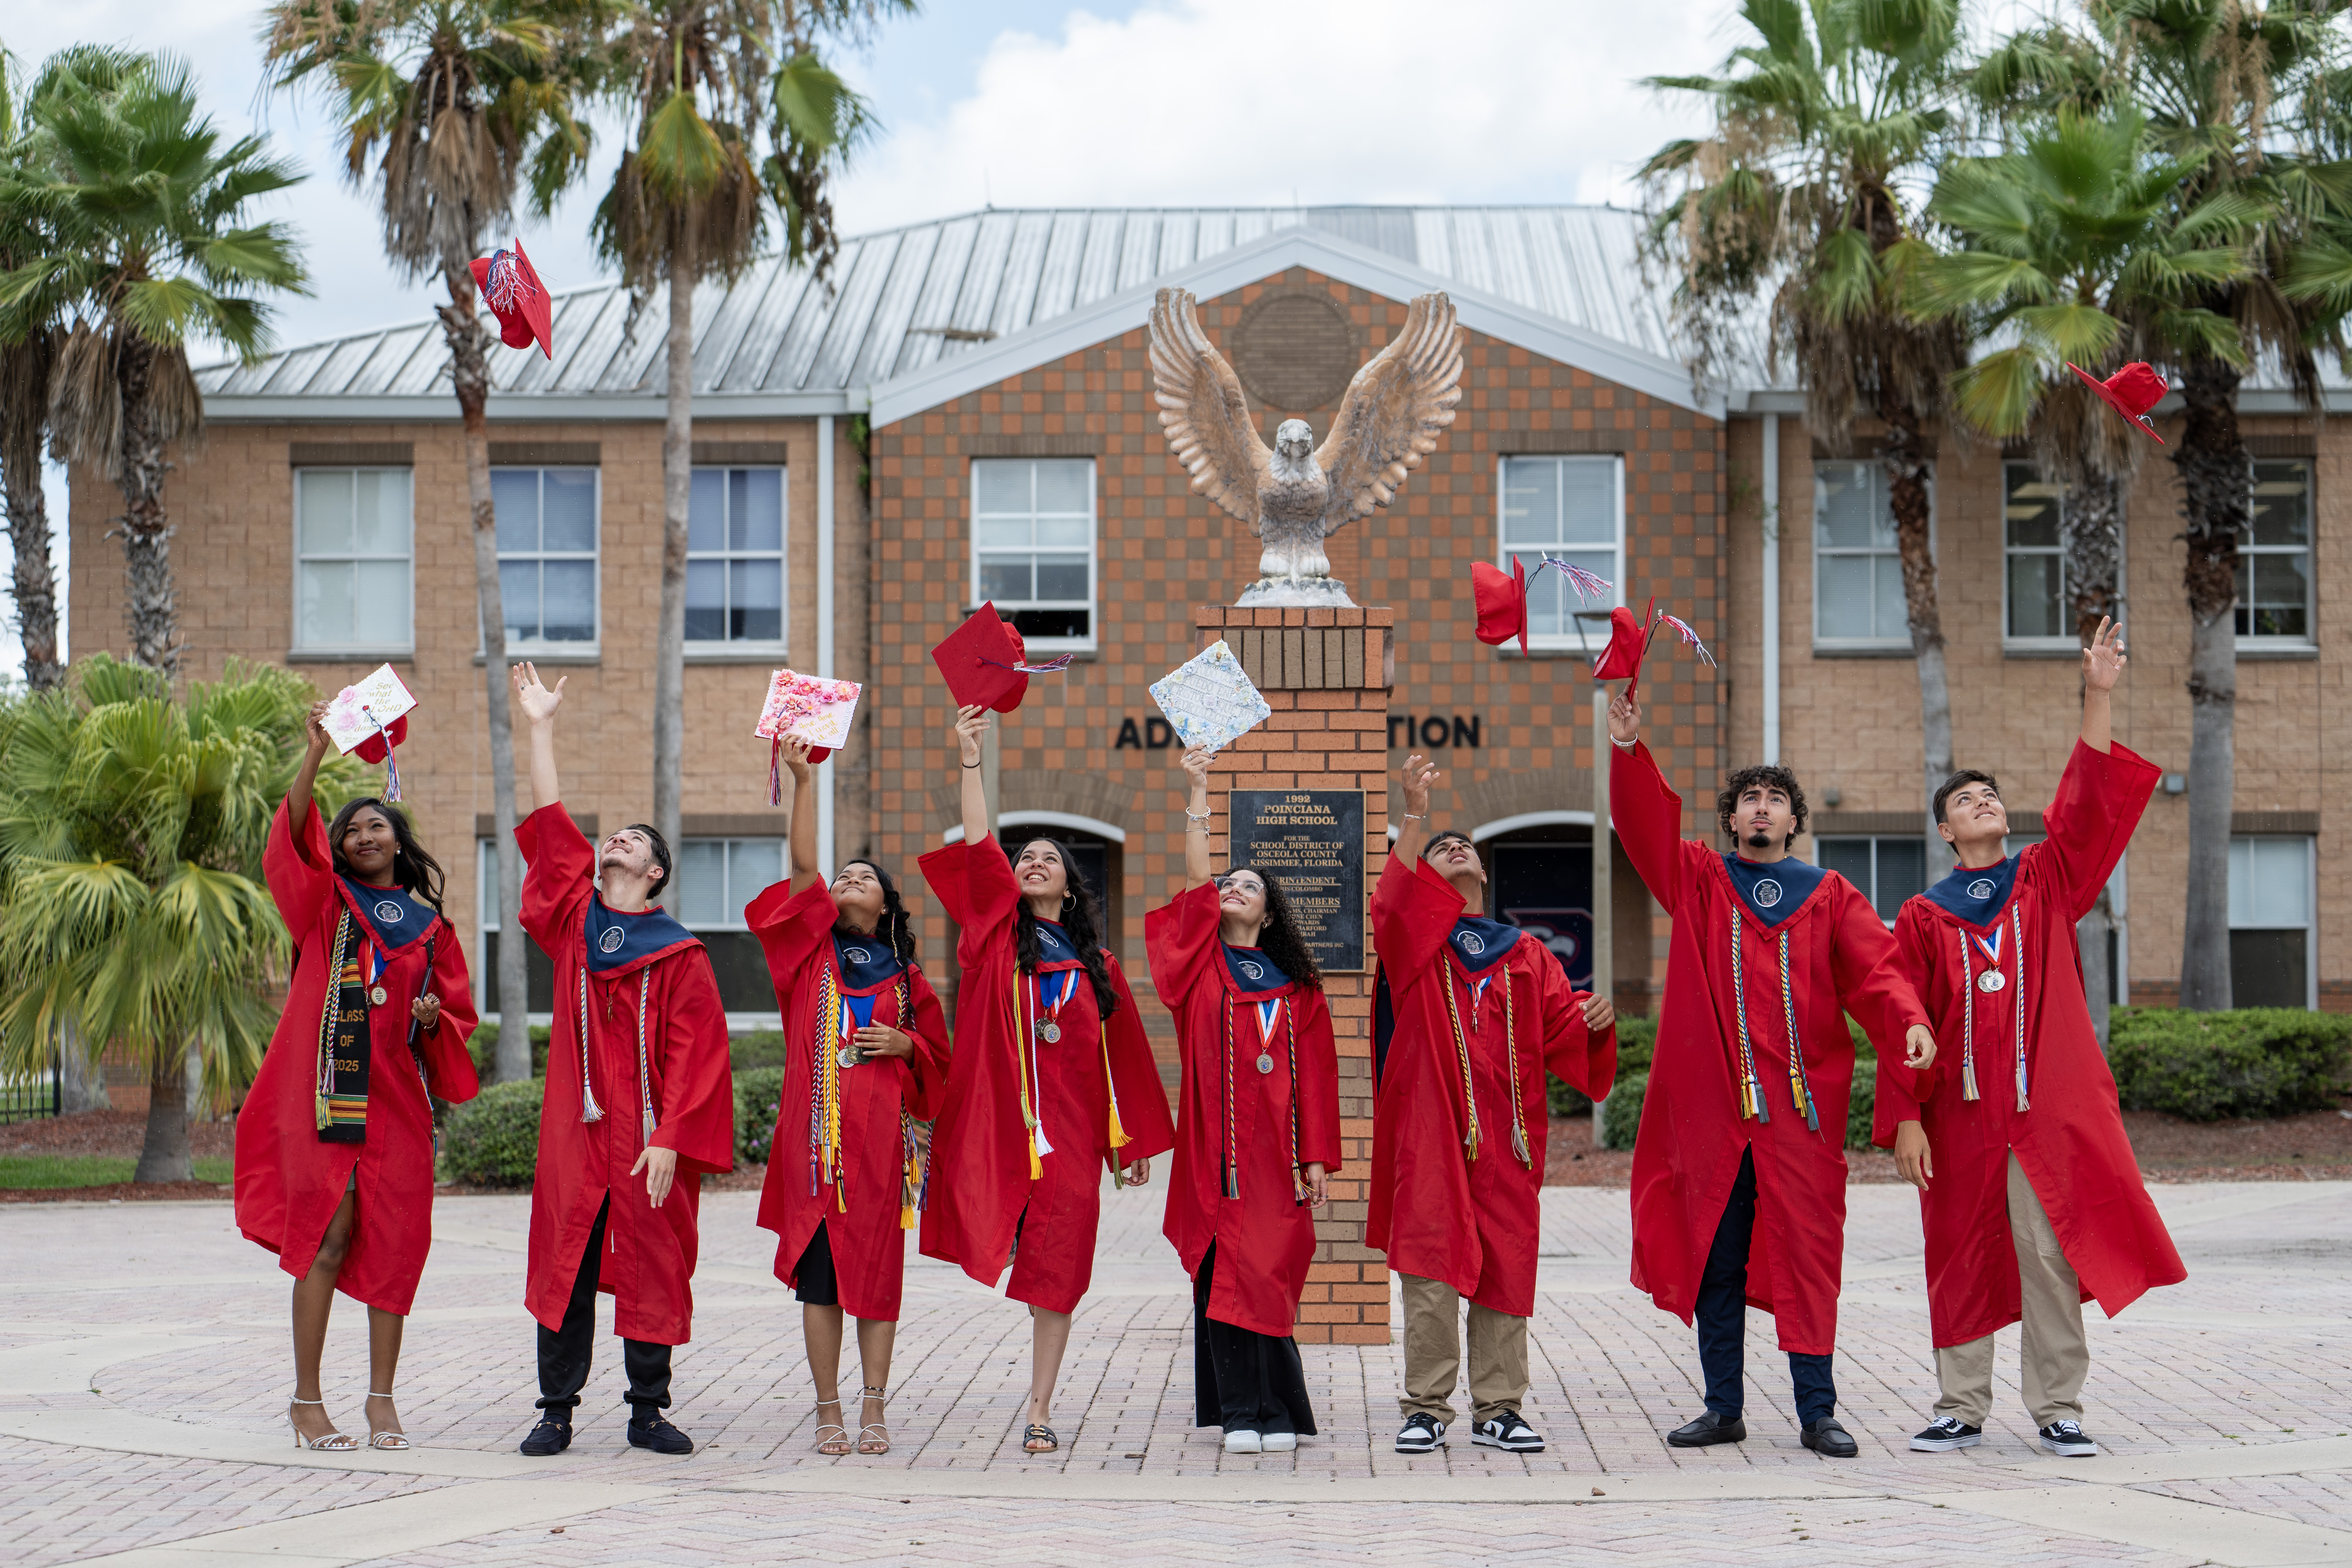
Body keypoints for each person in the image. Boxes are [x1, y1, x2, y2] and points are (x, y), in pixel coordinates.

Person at [1609, 693, 1936, 1458]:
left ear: (1794, 822)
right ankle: (1722, 1407)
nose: (1762, 809)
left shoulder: (1830, 896)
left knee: (1809, 1258)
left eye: (1776, 800)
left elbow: (1879, 974)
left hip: (1801, 1116)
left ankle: (1818, 1411)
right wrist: (1628, 751)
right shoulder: (1697, 881)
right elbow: (1645, 829)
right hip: (1714, 1112)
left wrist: (1911, 1022)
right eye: (1749, 799)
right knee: (1716, 1263)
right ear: (1731, 819)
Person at [1887, 619, 2182, 1459]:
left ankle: (2057, 1404)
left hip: (2037, 1105)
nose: (1982, 803)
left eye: (1989, 796)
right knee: (1957, 1253)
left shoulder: (2044, 881)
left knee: (2047, 1253)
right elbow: (1898, 1014)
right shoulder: (1923, 914)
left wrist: (2097, 693)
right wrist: (1905, 1115)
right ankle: (1959, 1404)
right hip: (1957, 1111)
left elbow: (2086, 804)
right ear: (1946, 831)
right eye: (1963, 801)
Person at [918, 703, 1176, 1455]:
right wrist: (971, 759)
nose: (1031, 862)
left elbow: (1126, 1062)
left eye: (1047, 858)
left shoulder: (1098, 970)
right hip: (1003, 1124)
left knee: (1058, 1272)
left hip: (1066, 1136)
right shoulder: (995, 936)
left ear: (1070, 883)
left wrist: (1128, 1146)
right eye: (1022, 856)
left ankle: (1039, 1404)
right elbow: (975, 846)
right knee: (990, 1228)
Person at [237, 701, 479, 1451]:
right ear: (339, 847)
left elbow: (457, 1020)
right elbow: (293, 840)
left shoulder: (430, 928)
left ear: (399, 843)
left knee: (396, 1240)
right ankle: (307, 1400)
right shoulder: (324, 902)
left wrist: (439, 1018)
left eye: (378, 826)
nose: (364, 834)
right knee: (327, 1237)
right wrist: (313, 756)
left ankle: (382, 1400)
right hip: (324, 1093)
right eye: (352, 828)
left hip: (397, 1101)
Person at [508, 662, 735, 1458]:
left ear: (656, 872)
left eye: (635, 840)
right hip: (578, 1129)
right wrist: (540, 728)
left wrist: (672, 1135)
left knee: (651, 1259)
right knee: (565, 1263)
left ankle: (647, 1409)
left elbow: (697, 1056)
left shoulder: (680, 955)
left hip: (643, 1135)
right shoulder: (575, 921)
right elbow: (550, 825)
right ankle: (556, 1410)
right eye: (616, 836)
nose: (618, 840)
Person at [1371, 753, 1617, 1456]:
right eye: (1441, 847)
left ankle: (1499, 1407)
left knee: (1506, 1263)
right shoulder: (1414, 943)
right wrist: (1413, 813)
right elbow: (1390, 904)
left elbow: (1561, 1039)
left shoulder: (1526, 955)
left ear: (1483, 873)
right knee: (1429, 1267)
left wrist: (1591, 1019)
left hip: (1506, 1138)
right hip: (1432, 1132)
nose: (1456, 848)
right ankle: (1425, 1406)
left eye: (1465, 846)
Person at [748, 736, 950, 1458]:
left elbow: (941, 1072)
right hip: (815, 1149)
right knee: (821, 1283)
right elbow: (803, 869)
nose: (847, 878)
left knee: (877, 1277)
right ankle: (827, 1408)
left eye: (863, 876)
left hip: (879, 1153)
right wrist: (804, 781)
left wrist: (906, 1046)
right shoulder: (810, 957)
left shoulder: (907, 983)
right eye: (844, 875)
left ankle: (874, 1406)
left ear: (887, 903)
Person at [1146, 744, 1342, 1455]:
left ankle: (1277, 1408)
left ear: (1270, 910)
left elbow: (1317, 1076)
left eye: (1249, 885)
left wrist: (1317, 1157)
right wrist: (1199, 791)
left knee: (1267, 1270)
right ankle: (1239, 1412)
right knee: (1219, 1269)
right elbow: (1196, 887)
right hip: (1213, 1152)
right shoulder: (1199, 965)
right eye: (1228, 883)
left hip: (1276, 1158)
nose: (1233, 888)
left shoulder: (1298, 989)